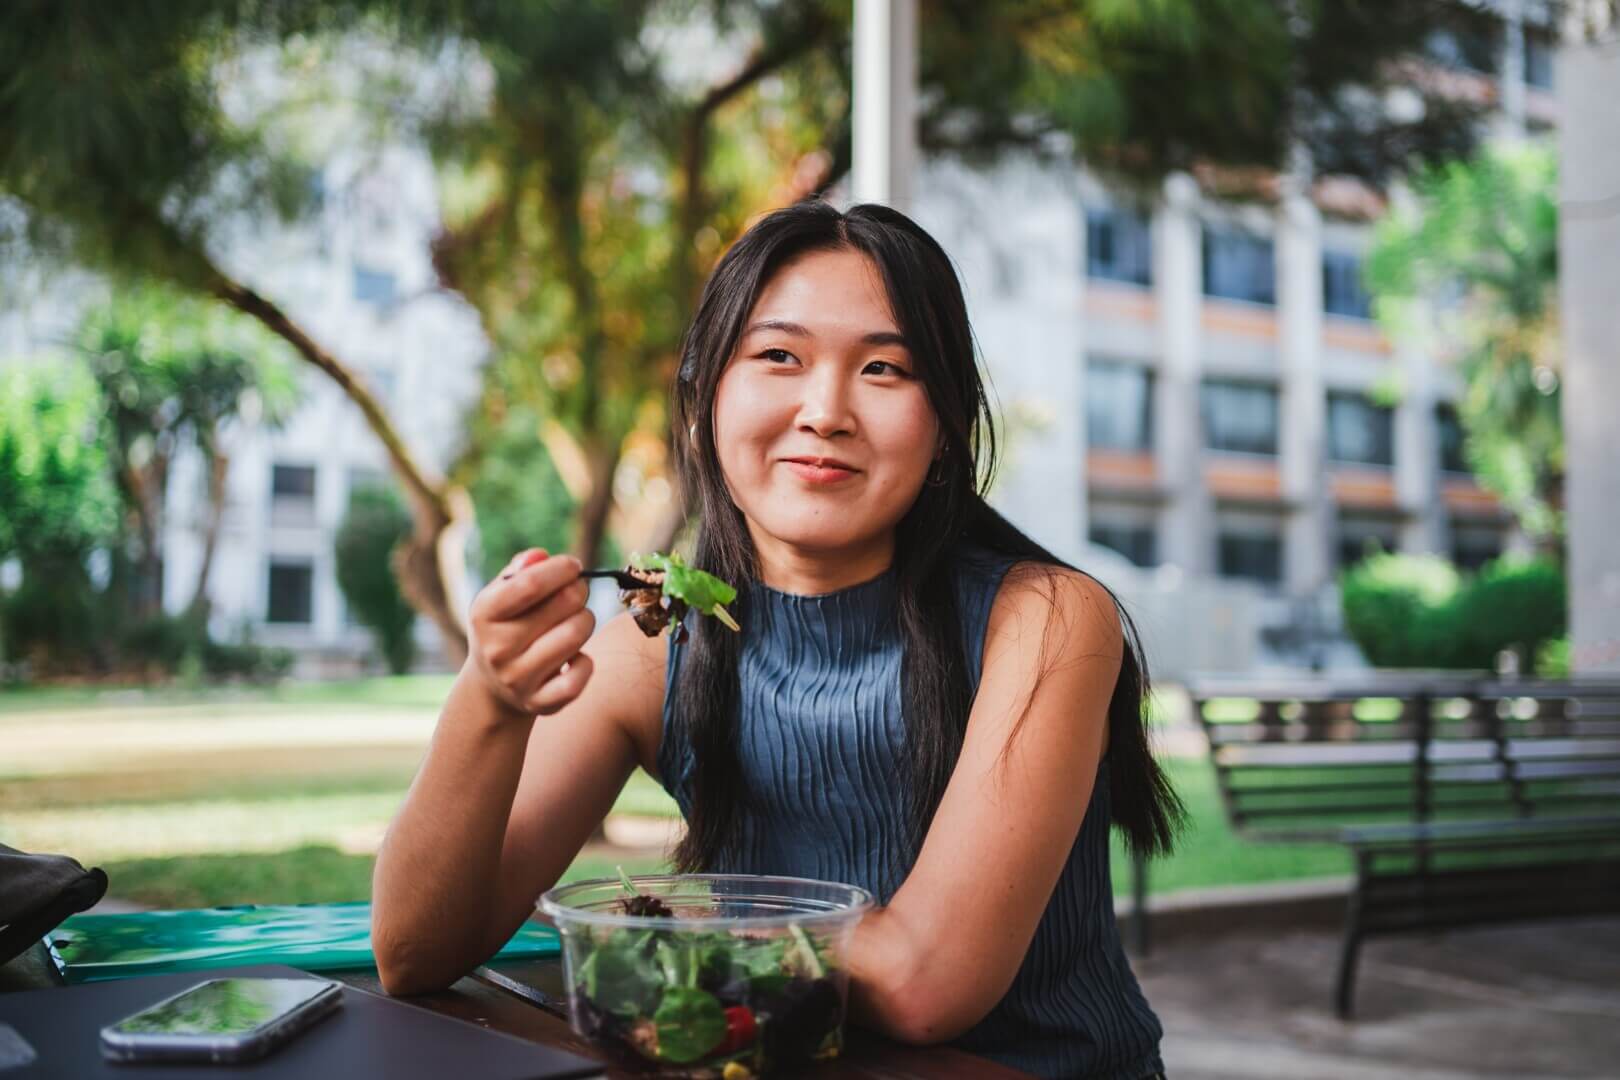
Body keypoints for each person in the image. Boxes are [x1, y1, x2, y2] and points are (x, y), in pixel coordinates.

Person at [371, 201, 1181, 1079]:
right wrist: (490, 700)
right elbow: (415, 951)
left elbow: (923, 985)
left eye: (884, 368)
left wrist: (675, 913)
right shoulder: (656, 647)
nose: (825, 410)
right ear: (703, 403)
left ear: (946, 428)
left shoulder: (1049, 620)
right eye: (778, 357)